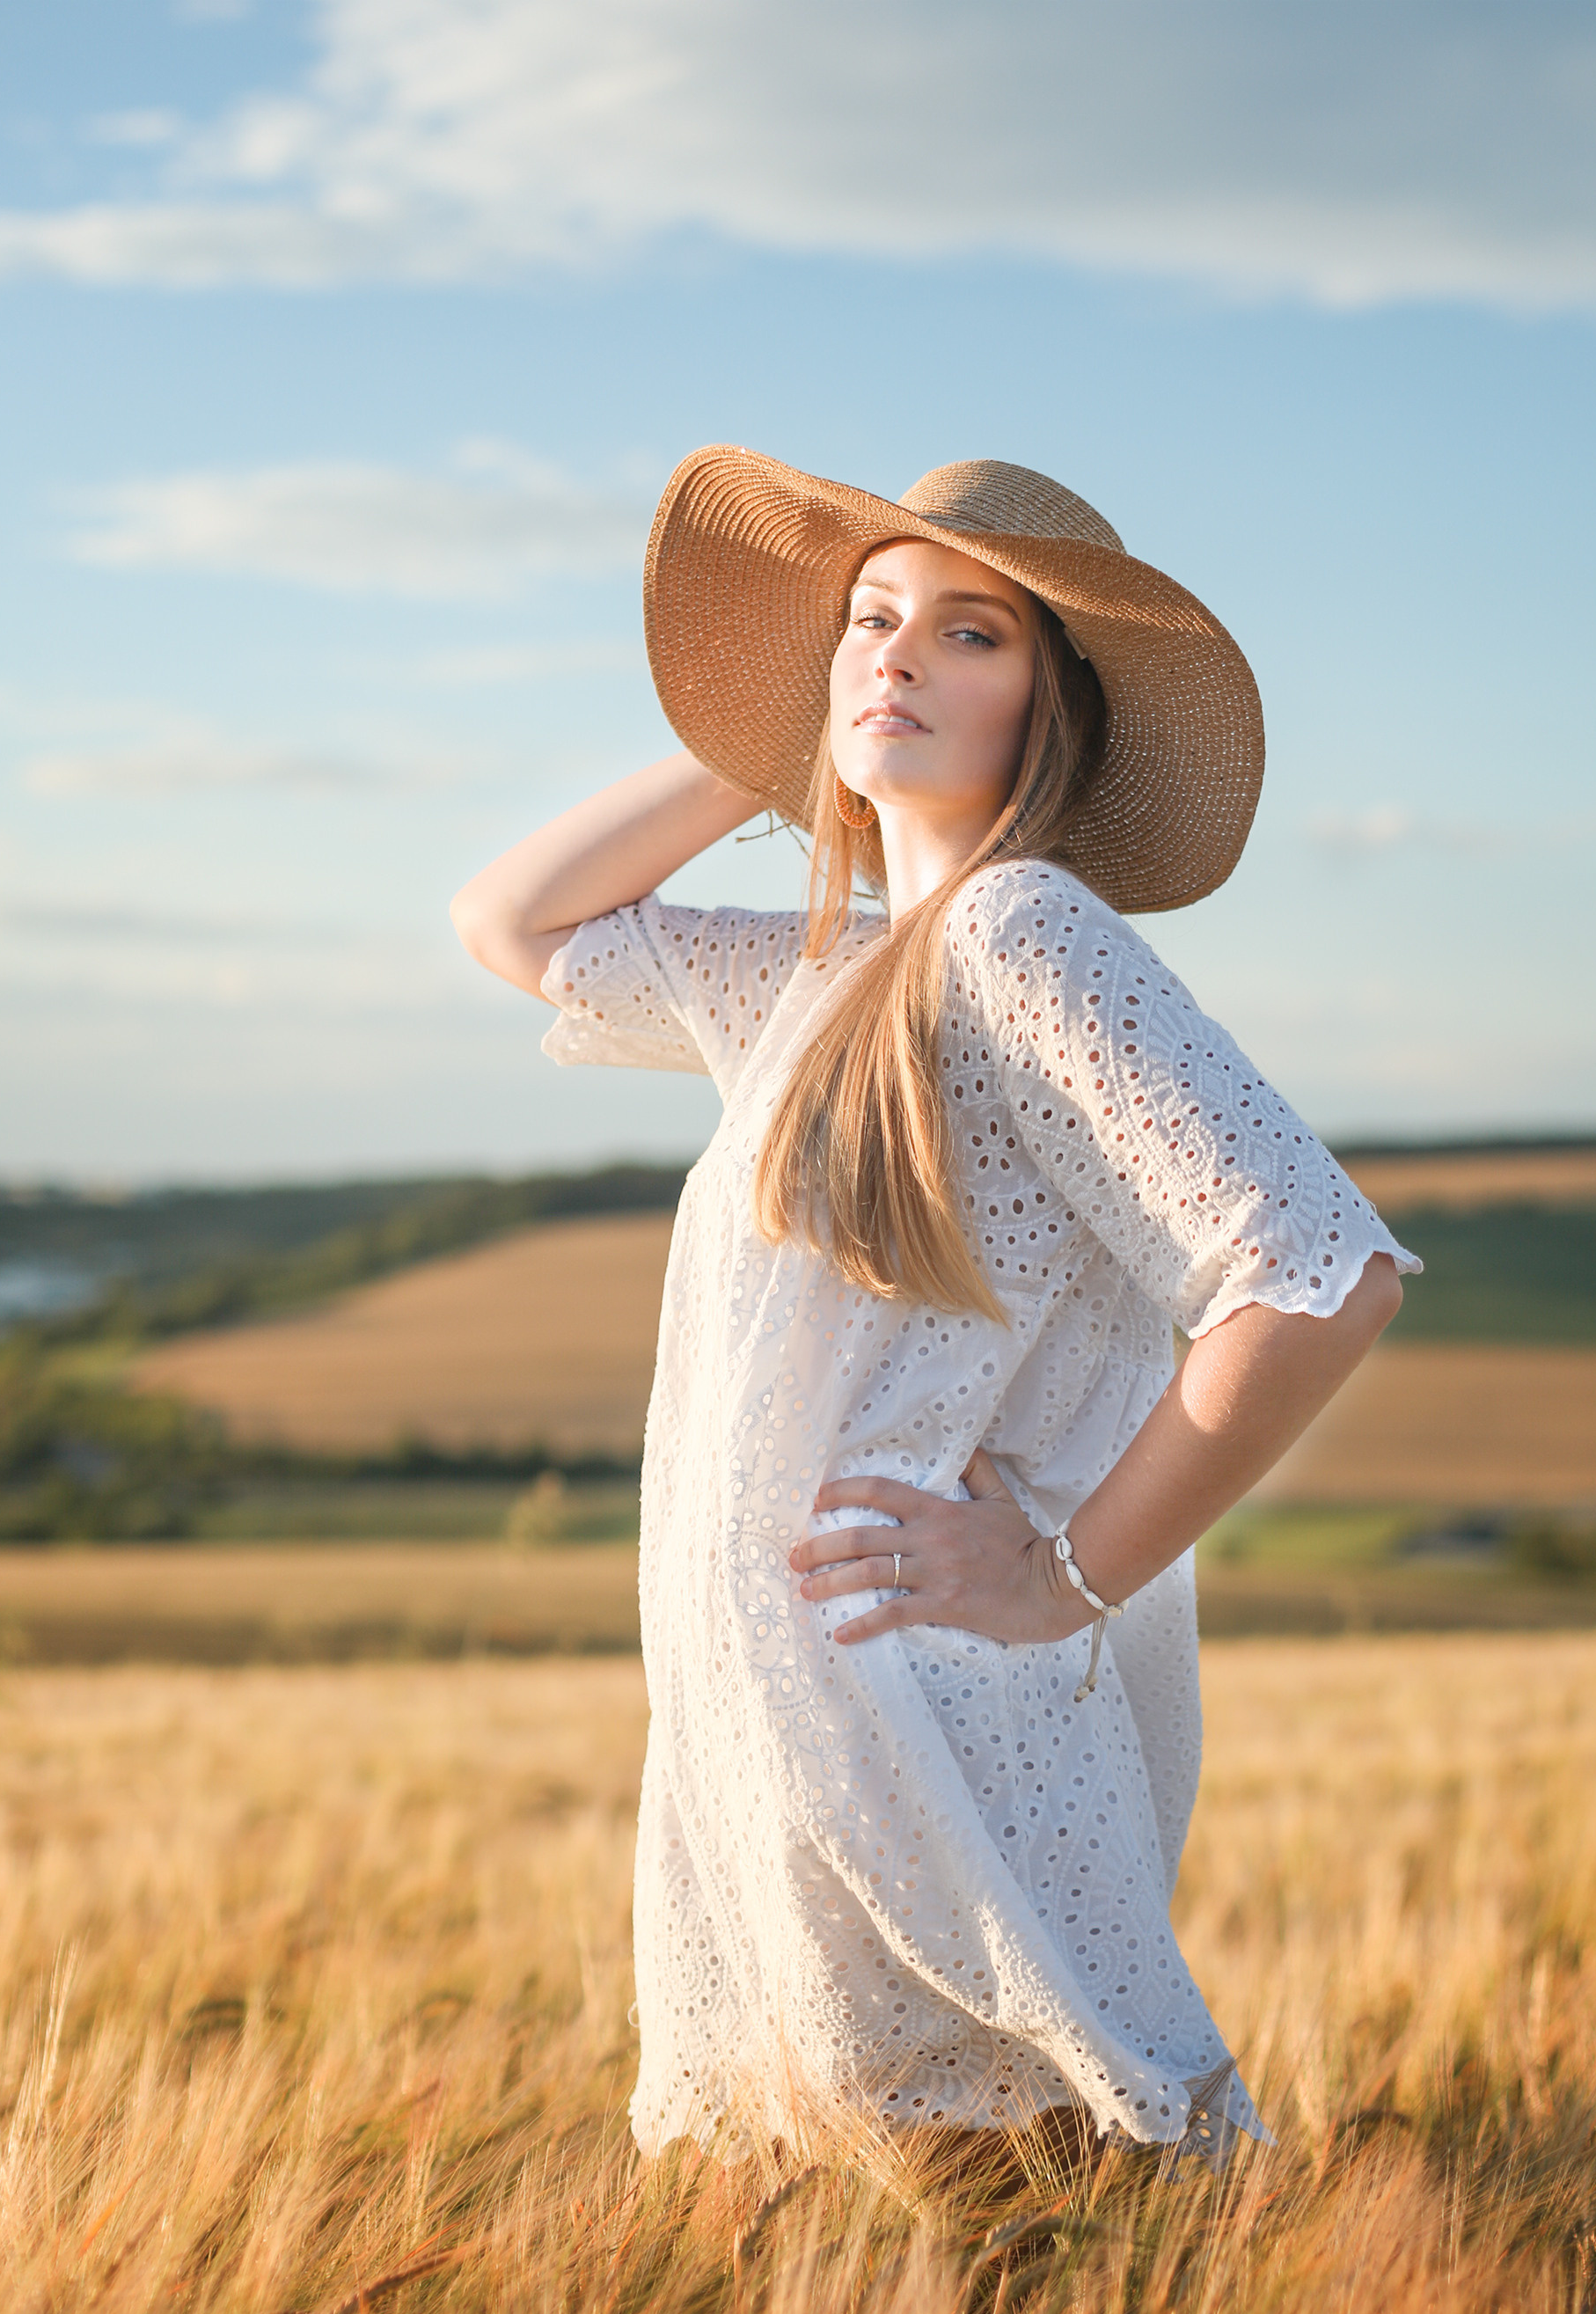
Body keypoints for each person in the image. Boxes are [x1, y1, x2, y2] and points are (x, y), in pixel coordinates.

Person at [452, 449, 1416, 2171]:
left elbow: (1317, 1274)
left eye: (967, 633)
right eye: (870, 621)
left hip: (935, 1725)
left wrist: (1064, 1569)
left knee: (1060, 2240)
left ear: (1048, 707)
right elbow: (511, 918)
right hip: (774, 1736)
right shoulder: (820, 973)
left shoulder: (1026, 934)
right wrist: (773, 721)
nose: (898, 654)